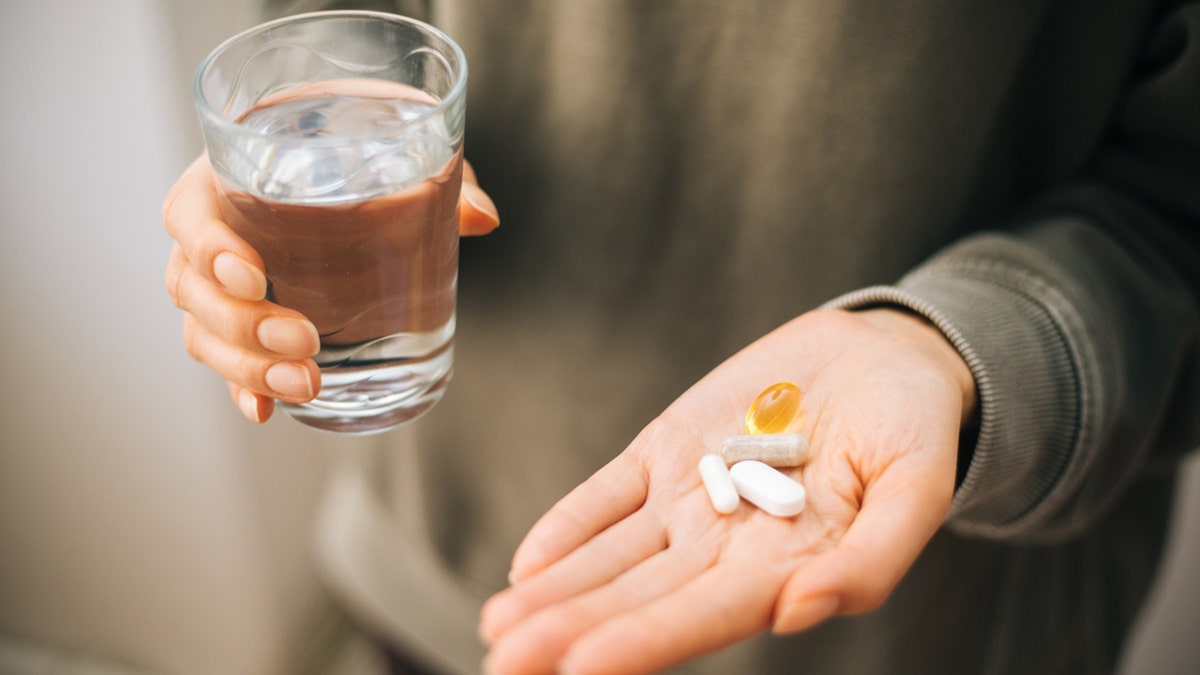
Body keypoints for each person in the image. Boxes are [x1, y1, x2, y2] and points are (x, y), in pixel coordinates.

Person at [163, 1, 1200, 673]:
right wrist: (340, 122)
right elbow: (338, 19)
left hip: (932, 632)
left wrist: (957, 347)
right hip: (453, 560)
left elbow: (1178, 208)